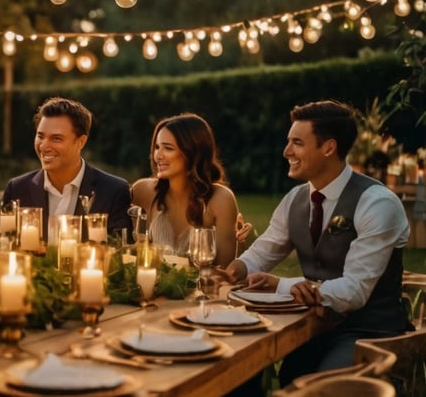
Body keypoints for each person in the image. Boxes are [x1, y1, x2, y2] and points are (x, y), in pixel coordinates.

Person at [223, 100, 410, 387]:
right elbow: (265, 250)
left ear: (329, 147)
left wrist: (279, 284)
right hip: (314, 328)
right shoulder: (295, 199)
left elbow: (355, 291)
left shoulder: (377, 203)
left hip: (369, 333)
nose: (286, 152)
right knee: (242, 368)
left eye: (297, 143)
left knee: (316, 386)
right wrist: (236, 268)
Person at [1, 97, 131, 243]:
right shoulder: (17, 189)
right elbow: (4, 248)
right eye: (40, 136)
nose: (44, 146)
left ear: (81, 142)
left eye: (56, 138)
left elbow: (121, 256)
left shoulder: (113, 191)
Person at [131, 113, 241, 267]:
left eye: (168, 148)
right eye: (157, 147)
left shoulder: (220, 200)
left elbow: (225, 270)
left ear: (193, 153)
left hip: (203, 290)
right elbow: (126, 250)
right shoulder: (143, 192)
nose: (158, 156)